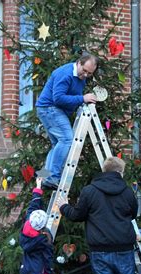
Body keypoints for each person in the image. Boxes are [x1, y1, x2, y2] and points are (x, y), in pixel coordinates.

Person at [57, 156, 138, 274]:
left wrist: (63, 206)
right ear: (120, 172)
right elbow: (133, 214)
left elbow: (77, 215)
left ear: (104, 170)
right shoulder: (127, 192)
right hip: (124, 249)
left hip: (100, 251)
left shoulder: (90, 191)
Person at [36, 54, 99, 190]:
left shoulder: (81, 77)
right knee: (66, 140)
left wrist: (82, 102)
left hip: (52, 110)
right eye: (85, 70)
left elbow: (72, 96)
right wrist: (82, 98)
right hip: (50, 108)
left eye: (90, 73)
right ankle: (53, 177)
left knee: (57, 144)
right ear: (78, 63)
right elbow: (58, 98)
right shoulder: (65, 74)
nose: (86, 75)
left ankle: (44, 177)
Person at [19, 177, 54, 274]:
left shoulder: (27, 224)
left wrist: (38, 186)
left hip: (25, 270)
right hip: (36, 273)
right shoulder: (45, 239)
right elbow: (48, 258)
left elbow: (34, 204)